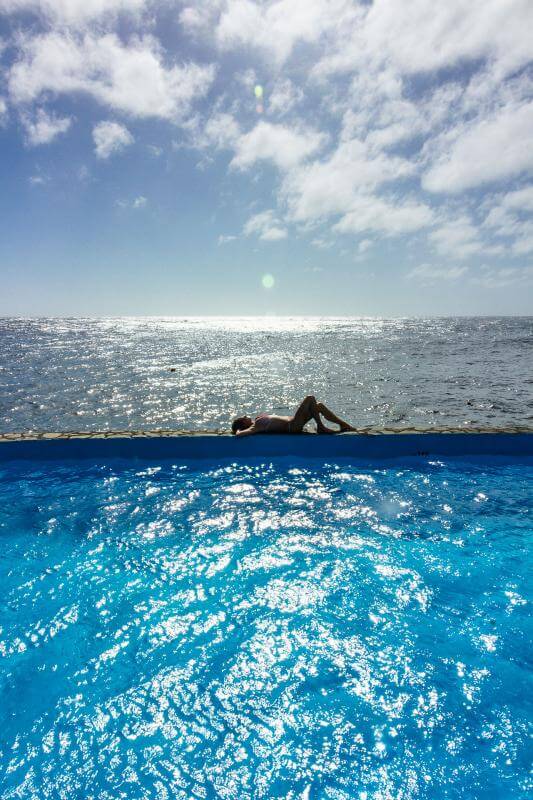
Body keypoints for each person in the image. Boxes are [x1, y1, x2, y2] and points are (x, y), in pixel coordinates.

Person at [231, 395, 356, 436]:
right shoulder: (255, 427)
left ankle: (344, 425)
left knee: (319, 405)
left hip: (295, 422)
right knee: (310, 398)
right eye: (244, 417)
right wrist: (237, 430)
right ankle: (321, 427)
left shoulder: (257, 421)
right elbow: (239, 434)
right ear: (243, 423)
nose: (246, 416)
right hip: (293, 426)